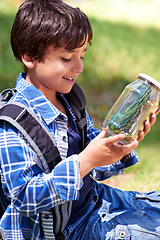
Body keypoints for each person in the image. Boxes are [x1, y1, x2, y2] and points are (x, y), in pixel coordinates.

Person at [0, 0, 160, 239]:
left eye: (82, 55)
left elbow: (92, 150)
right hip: (63, 230)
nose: (79, 67)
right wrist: (85, 162)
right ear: (30, 57)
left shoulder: (69, 100)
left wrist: (119, 146)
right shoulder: (13, 124)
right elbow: (24, 197)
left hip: (94, 202)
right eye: (66, 58)